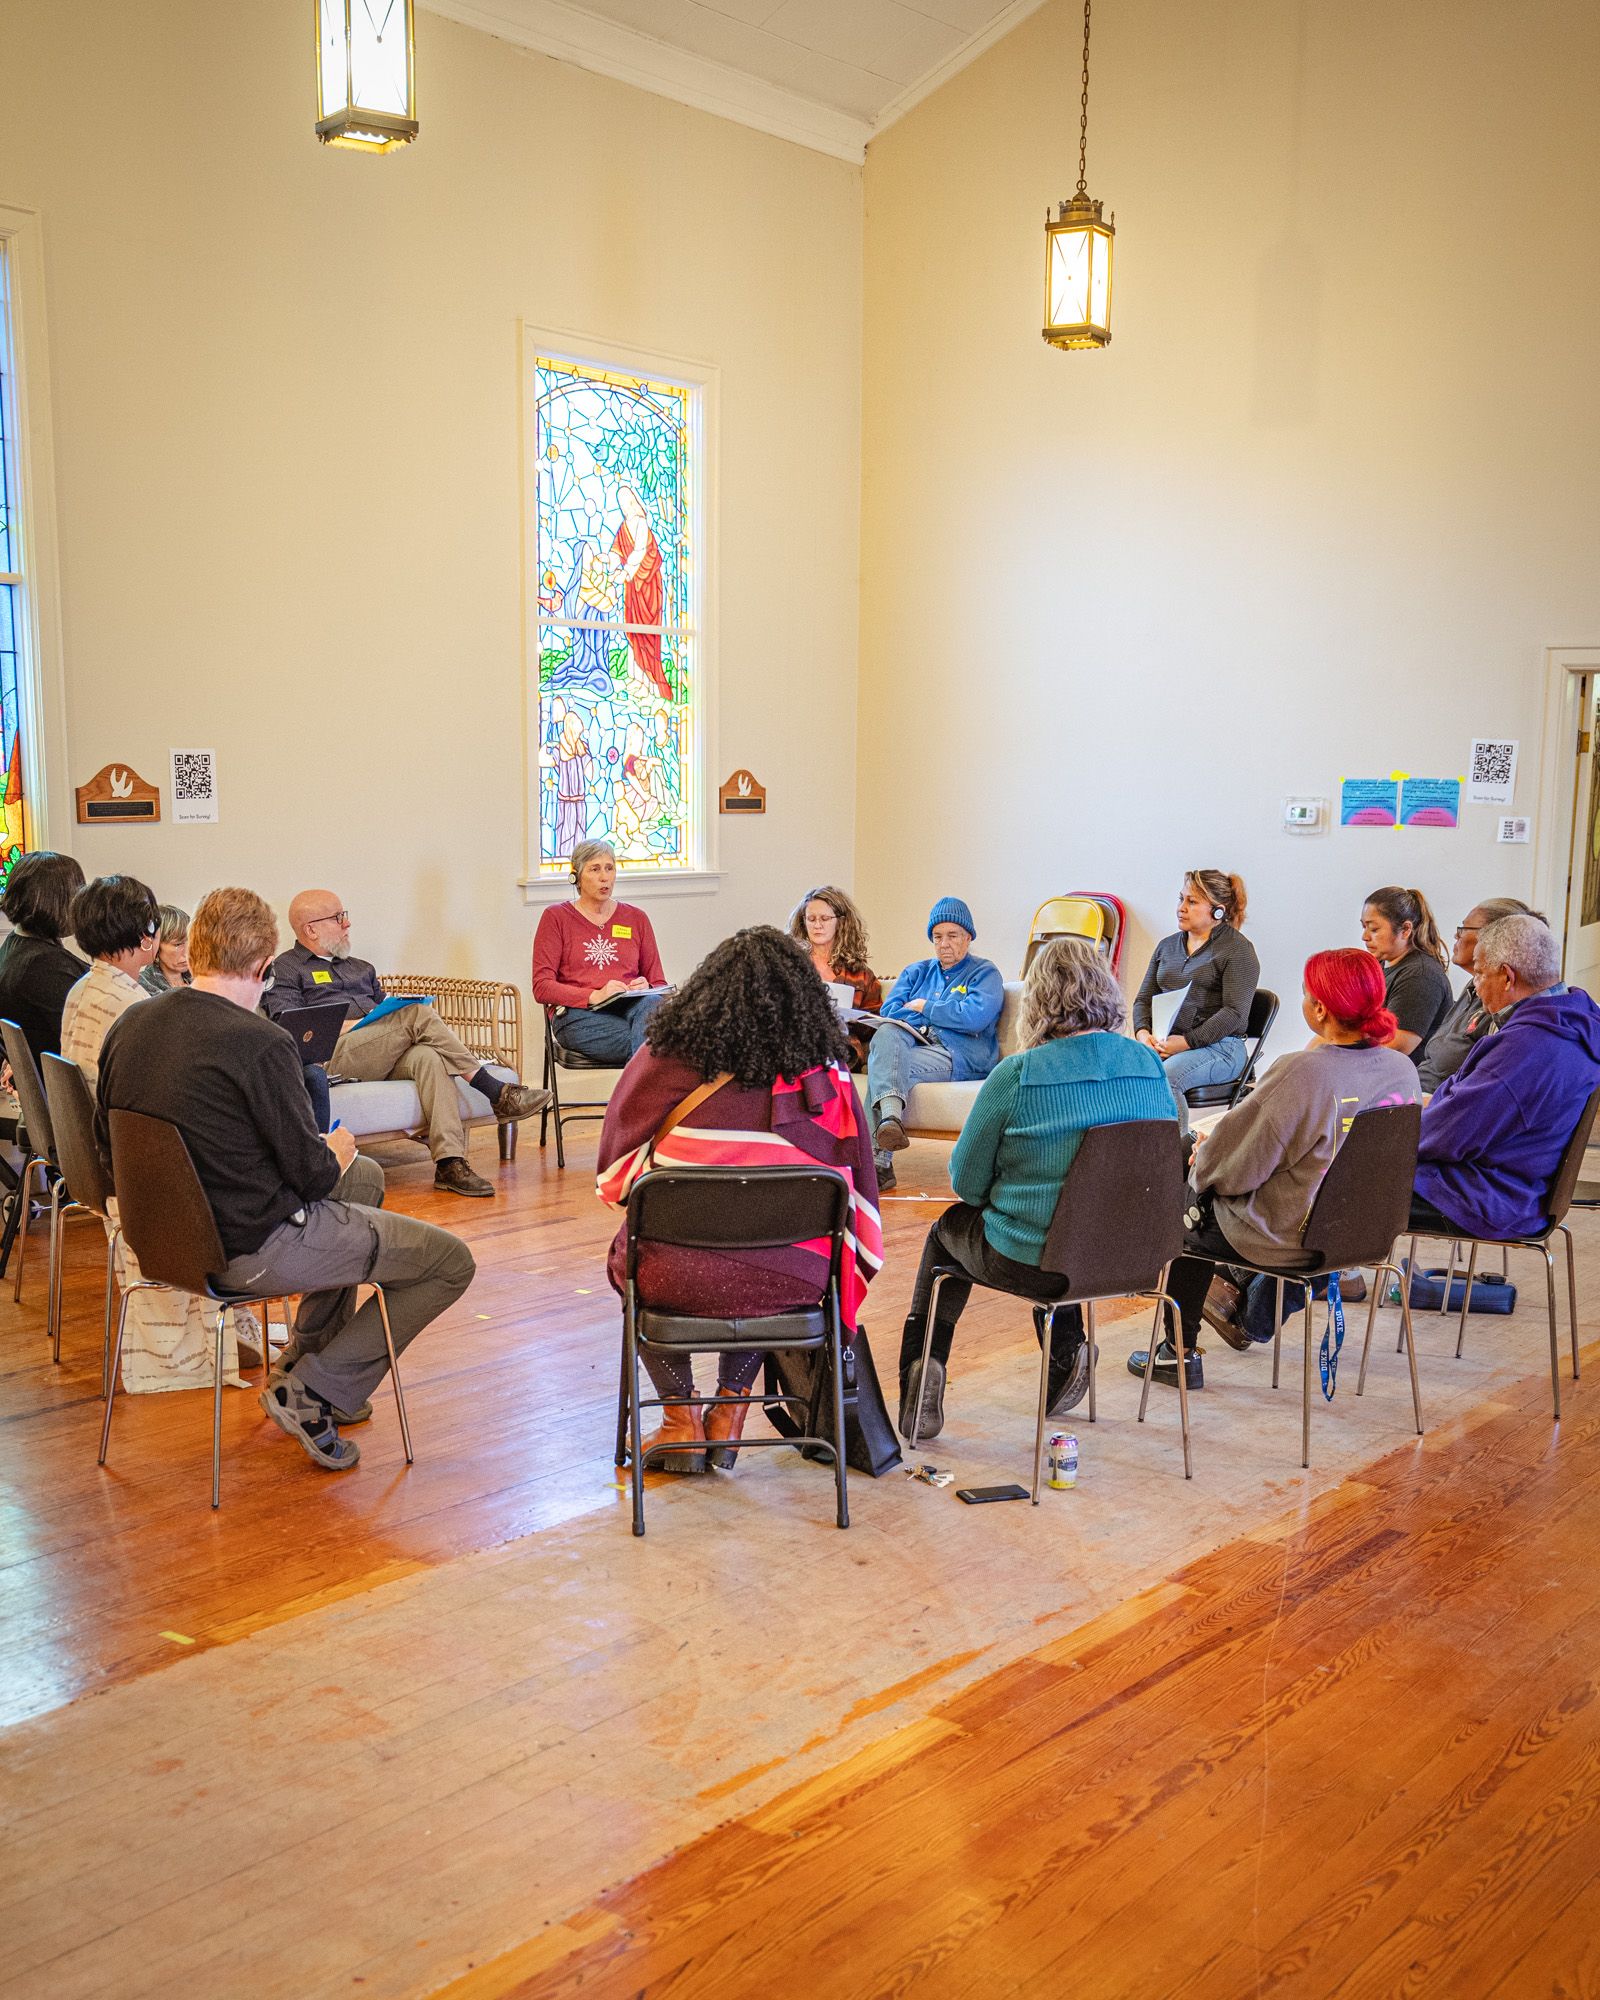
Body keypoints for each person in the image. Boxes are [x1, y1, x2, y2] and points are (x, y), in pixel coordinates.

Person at [97, 887, 476, 1471]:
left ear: (194, 950)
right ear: (264, 967)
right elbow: (313, 1174)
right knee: (448, 1261)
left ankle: (303, 1360)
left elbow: (109, 1144)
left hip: (159, 1240)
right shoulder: (260, 1043)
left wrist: (339, 1165)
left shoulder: (131, 1024)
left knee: (367, 1179)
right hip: (249, 1249)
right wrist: (336, 1151)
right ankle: (315, 1392)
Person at [596, 926, 882, 1472]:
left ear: (710, 990)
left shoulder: (666, 1058)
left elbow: (614, 1177)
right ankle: (730, 1409)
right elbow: (858, 1194)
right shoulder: (829, 1077)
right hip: (795, 1278)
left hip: (676, 1273)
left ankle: (680, 1417)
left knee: (631, 1255)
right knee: (764, 1253)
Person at [897, 937, 1179, 1441]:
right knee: (1073, 1224)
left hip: (1039, 1262)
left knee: (948, 1235)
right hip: (1133, 1256)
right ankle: (1067, 1349)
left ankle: (924, 1369)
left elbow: (966, 1183)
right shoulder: (1149, 1064)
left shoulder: (1017, 1076)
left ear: (1038, 999)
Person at [1132, 948, 1420, 1388]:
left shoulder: (1303, 1072)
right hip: (1363, 1230)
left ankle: (1177, 1352)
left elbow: (1234, 1168)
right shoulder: (1401, 1069)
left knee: (1186, 1195)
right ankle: (1240, 1299)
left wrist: (1200, 1159)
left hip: (1292, 1232)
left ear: (1320, 1008)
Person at [63, 875, 263, 1393]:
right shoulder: (130, 1007)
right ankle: (245, 1321)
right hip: (144, 1171)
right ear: (149, 936)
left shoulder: (84, 990)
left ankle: (241, 1332)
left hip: (103, 1158)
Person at [267, 892, 548, 1199]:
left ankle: (449, 1163)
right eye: (338, 917)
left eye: (344, 914)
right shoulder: (287, 968)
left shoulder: (360, 967)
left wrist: (385, 1019)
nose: (347, 923)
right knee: (416, 1014)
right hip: (333, 1056)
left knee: (429, 1056)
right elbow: (291, 1027)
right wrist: (371, 1023)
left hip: (378, 1051)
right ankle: (495, 1091)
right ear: (310, 929)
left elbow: (384, 1015)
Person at [1410, 913, 1600, 1244]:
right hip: (1524, 1186)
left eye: (1480, 974)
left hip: (1490, 1196)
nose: (1477, 988)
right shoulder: (1578, 1022)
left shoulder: (1526, 1048)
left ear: (1507, 978)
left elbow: (1447, 1135)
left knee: (1342, 1176)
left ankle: (1315, 1284)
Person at [866, 897, 1004, 1190]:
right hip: (916, 1047)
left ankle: (877, 1165)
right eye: (937, 937)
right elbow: (890, 1011)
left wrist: (925, 1007)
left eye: (952, 936)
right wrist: (932, 1019)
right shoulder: (917, 971)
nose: (944, 944)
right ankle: (890, 1118)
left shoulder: (984, 973)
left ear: (968, 937)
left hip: (960, 1055)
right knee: (887, 1035)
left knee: (885, 1065)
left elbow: (973, 1018)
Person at [533, 839, 669, 1064]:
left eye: (609, 868)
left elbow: (659, 984)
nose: (604, 877)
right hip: (578, 1016)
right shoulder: (556, 917)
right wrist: (593, 995)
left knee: (653, 1003)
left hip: (632, 1010)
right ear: (576, 876)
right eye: (595, 869)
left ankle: (634, 1098)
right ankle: (649, 1094)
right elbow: (542, 986)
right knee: (658, 1044)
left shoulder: (637, 918)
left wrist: (647, 987)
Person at [1132, 871, 1260, 1099]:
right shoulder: (1166, 947)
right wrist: (1143, 1035)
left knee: (1164, 1078)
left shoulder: (1238, 950)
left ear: (1217, 911)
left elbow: (1234, 1014)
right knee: (1117, 1069)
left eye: (1192, 902)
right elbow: (1143, 999)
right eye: (1181, 899)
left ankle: (1177, 1136)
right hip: (1168, 1042)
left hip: (1222, 1047)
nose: (1181, 908)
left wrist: (1186, 1043)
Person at [1417, 898, 1544, 1092]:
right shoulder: (1474, 987)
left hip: (1436, 1104)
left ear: (1492, 938)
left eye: (1464, 928)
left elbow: (1478, 1091)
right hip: (1420, 1092)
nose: (1455, 935)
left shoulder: (1500, 1004)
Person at [0, 850, 86, 1063]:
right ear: (53, 901)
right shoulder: (44, 966)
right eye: (78, 892)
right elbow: (87, 1030)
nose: (83, 904)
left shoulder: (16, 944)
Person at [787, 885, 882, 1069]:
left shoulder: (860, 974)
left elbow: (874, 1023)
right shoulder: (790, 964)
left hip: (841, 1048)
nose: (817, 925)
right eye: (811, 919)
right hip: (796, 1040)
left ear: (841, 922)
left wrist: (854, 1020)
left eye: (825, 919)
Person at [1361, 885, 1452, 1064]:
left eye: (1374, 929)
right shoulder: (1379, 964)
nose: (1365, 936)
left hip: (1409, 1082)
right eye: (1364, 927)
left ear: (1405, 930)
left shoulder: (1420, 975)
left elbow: (1395, 1047)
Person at [139, 904, 193, 996]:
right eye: (178, 944)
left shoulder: (202, 981)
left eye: (191, 941)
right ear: (156, 944)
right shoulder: (141, 987)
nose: (187, 953)